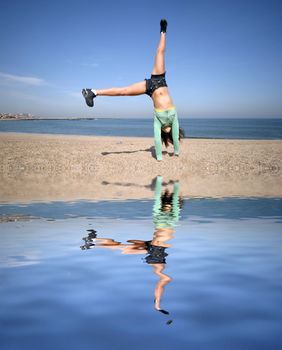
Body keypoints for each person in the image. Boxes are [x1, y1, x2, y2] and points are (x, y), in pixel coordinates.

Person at [82, 19, 184, 161]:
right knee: (160, 52)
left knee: (123, 91)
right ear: (172, 131)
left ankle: (93, 92)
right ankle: (163, 30)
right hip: (159, 80)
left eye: (166, 131)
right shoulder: (174, 120)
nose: (168, 129)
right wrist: (177, 151)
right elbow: (176, 138)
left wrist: (163, 156)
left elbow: (158, 140)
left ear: (164, 133)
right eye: (170, 130)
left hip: (149, 88)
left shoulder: (159, 124)